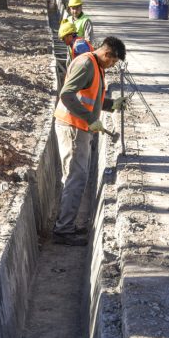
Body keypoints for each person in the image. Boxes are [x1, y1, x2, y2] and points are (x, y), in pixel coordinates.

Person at [53, 36, 129, 246]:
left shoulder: (96, 66)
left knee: (75, 177)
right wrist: (89, 119)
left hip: (79, 127)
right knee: (76, 178)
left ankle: (65, 223)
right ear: (106, 54)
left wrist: (111, 104)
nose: (112, 66)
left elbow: (90, 98)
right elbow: (66, 95)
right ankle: (63, 230)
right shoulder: (87, 64)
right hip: (73, 127)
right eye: (113, 61)